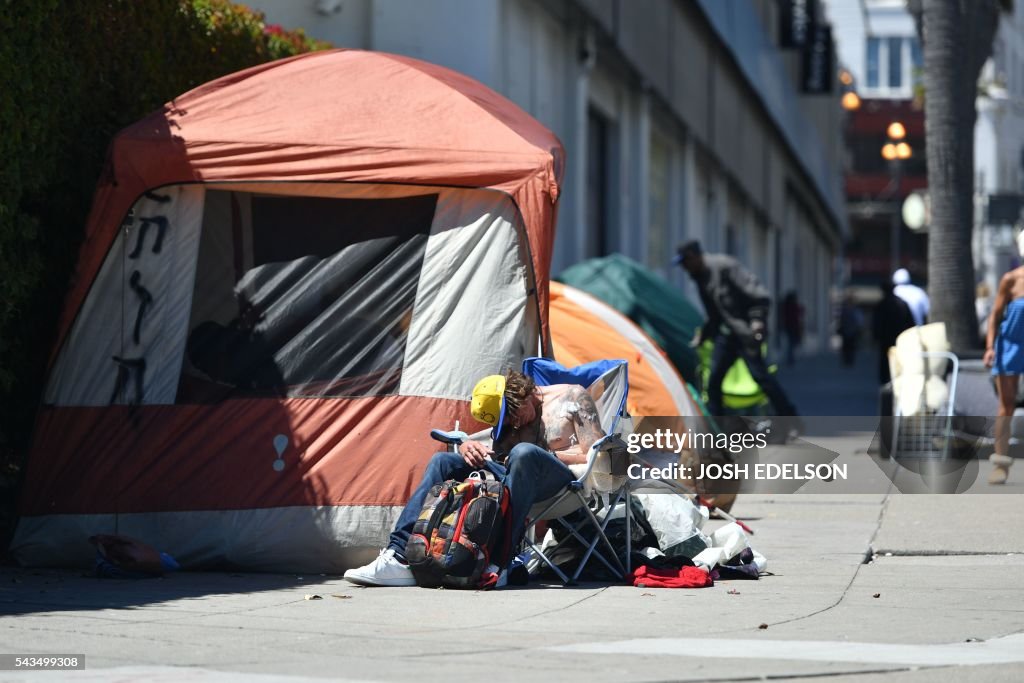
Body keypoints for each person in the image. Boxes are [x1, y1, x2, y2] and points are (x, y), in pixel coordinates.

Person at [343, 369, 606, 586]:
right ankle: (399, 555)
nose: (514, 425)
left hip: (563, 483)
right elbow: (499, 453)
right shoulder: (513, 426)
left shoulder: (572, 397)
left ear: (522, 395)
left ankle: (499, 562)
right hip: (516, 479)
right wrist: (468, 444)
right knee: (443, 461)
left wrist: (542, 454)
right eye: (507, 422)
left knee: (525, 452)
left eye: (513, 416)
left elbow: (599, 456)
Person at [673, 240, 799, 420]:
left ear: (693, 257)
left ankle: (789, 420)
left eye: (685, 263)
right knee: (714, 380)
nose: (684, 269)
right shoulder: (700, 277)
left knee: (761, 377)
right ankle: (716, 428)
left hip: (747, 333)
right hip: (728, 335)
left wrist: (757, 320)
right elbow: (715, 314)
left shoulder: (724, 266)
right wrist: (704, 335)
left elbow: (758, 294)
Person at [982, 245, 1024, 485]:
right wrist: (990, 347)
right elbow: (996, 314)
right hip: (1010, 345)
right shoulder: (1011, 279)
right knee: (1005, 407)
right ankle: (1000, 463)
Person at [871, 281, 915, 385]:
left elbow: (876, 324)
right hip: (900, 339)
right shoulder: (902, 303)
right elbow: (910, 323)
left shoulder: (881, 305)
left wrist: (876, 337)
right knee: (899, 362)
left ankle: (886, 384)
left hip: (885, 340)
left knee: (885, 362)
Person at [837, 294, 864, 367]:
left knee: (850, 346)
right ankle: (847, 360)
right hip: (848, 330)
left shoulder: (852, 310)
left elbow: (859, 321)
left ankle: (849, 360)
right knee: (847, 346)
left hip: (851, 331)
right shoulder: (846, 310)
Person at [780, 291, 804, 366]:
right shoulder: (793, 306)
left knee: (791, 344)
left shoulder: (786, 306)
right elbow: (798, 315)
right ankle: (790, 359)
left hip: (789, 326)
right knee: (792, 344)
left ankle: (790, 358)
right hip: (793, 327)